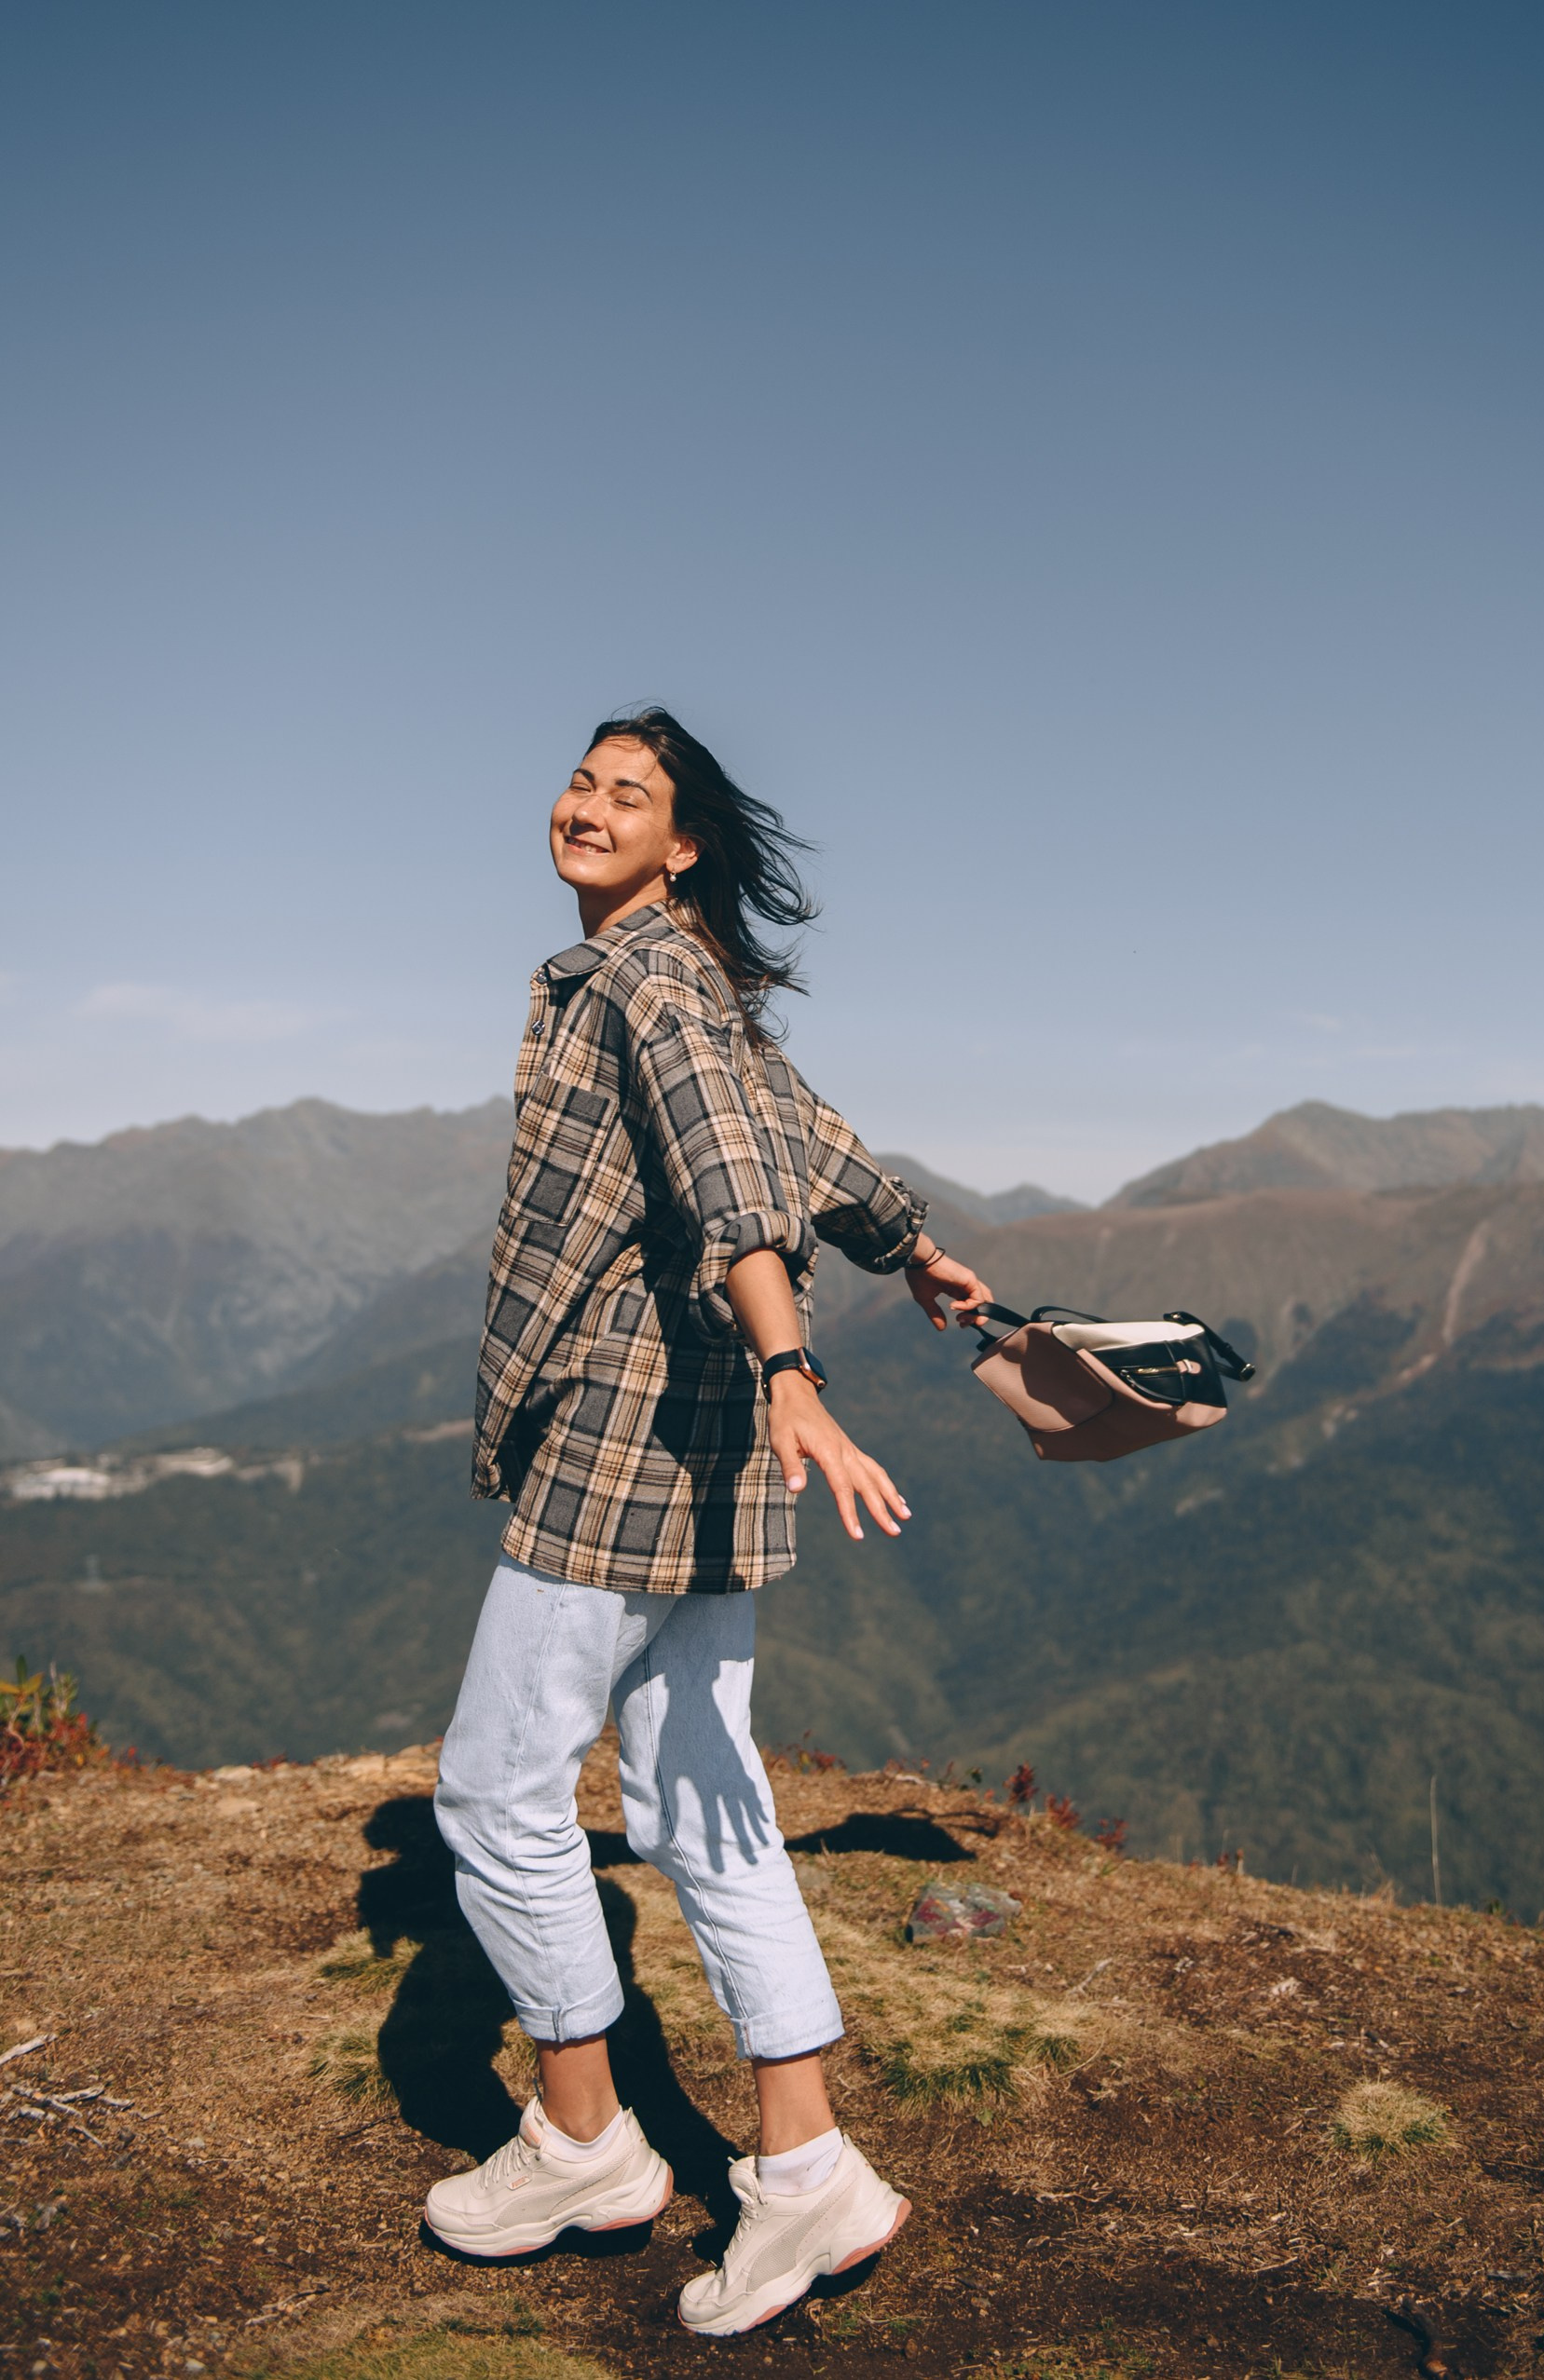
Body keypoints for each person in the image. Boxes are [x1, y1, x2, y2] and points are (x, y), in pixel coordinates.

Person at [424, 708, 991, 2337]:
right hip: (715, 1451)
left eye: (631, 794)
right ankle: (807, 2174)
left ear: (682, 847)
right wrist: (913, 1247)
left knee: (493, 1793)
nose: (589, 805)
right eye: (583, 780)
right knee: (702, 1799)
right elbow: (795, 1132)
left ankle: (588, 2140)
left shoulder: (644, 980)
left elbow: (735, 1173)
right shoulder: (693, 984)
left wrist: (796, 1358)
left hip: (625, 1436)